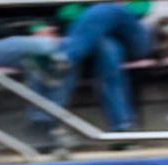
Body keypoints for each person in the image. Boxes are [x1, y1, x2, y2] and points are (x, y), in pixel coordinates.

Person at [57, 2, 152, 134]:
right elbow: (67, 13)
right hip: (92, 39)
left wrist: (93, 12)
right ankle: (123, 127)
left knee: (105, 10)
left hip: (133, 36)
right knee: (108, 49)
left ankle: (64, 60)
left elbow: (141, 7)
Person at [0, 18, 69, 147]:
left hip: (32, 41)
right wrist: (35, 29)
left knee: (48, 60)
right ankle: (43, 124)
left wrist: (42, 28)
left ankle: (42, 125)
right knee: (51, 49)